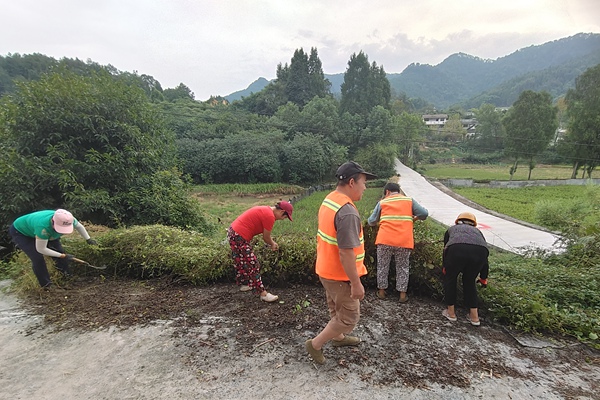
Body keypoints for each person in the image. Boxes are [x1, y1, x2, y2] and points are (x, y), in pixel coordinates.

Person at [305, 161, 377, 365]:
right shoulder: (347, 212)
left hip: (326, 269)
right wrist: (356, 283)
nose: (365, 187)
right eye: (364, 182)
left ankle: (338, 338)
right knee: (348, 317)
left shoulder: (330, 199)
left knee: (336, 306)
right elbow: (346, 253)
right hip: (340, 274)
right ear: (352, 182)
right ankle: (316, 344)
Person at [368, 182, 428, 303]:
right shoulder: (409, 201)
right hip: (404, 240)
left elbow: (371, 221)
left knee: (382, 266)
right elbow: (424, 214)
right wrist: (413, 219)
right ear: (398, 191)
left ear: (387, 192)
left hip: (385, 240)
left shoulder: (383, 202)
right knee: (403, 267)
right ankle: (402, 295)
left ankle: (381, 292)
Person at [9, 209, 98, 289]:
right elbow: (41, 249)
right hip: (21, 232)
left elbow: (79, 226)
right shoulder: (43, 228)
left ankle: (67, 278)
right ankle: (47, 285)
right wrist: (63, 256)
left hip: (42, 230)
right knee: (37, 258)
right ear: (53, 222)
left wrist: (88, 239)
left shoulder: (67, 219)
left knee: (59, 251)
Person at [227, 201, 293, 303]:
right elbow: (266, 237)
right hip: (239, 236)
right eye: (285, 217)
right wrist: (273, 244)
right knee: (253, 263)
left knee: (241, 259)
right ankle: (263, 294)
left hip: (233, 232)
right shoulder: (270, 216)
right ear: (282, 211)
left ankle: (245, 284)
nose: (283, 219)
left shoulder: (266, 210)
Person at [441, 212, 489, 326]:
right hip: (480, 252)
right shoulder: (478, 232)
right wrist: (483, 277)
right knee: (469, 281)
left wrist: (445, 267)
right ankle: (474, 317)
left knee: (450, 279)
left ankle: (451, 313)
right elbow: (485, 259)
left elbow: (446, 249)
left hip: (456, 250)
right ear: (474, 223)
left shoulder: (452, 229)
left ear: (457, 221)